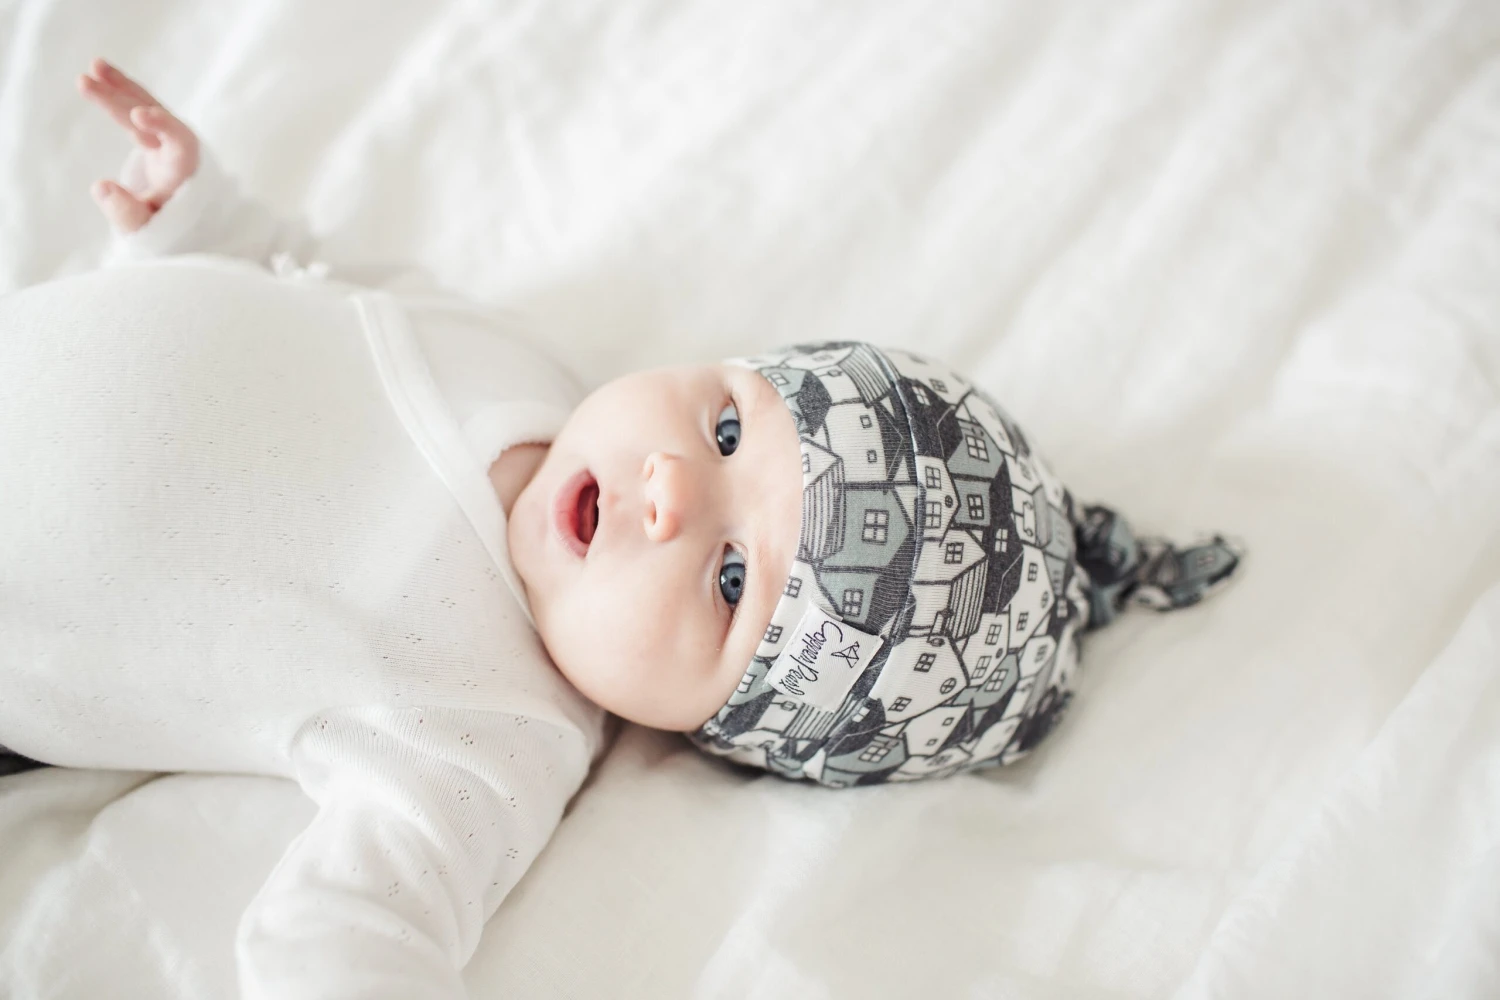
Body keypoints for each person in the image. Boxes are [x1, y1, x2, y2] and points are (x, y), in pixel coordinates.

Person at [0, 60, 1241, 998]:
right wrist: (201, 224)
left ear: (721, 725)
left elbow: (355, 931)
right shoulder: (534, 367)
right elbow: (320, 282)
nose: (671, 491)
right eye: (729, 429)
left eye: (735, 580)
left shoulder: (490, 731)